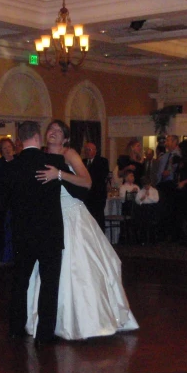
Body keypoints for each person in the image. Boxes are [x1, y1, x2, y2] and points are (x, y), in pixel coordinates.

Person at [27, 120, 138, 341]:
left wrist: (59, 174)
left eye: (59, 131)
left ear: (65, 138)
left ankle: (84, 320)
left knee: (78, 267)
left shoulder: (70, 155)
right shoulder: (40, 155)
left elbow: (87, 182)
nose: (54, 133)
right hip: (49, 217)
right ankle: (49, 319)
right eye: (51, 129)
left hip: (72, 214)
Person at [0, 120, 68, 347]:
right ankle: (45, 333)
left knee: (20, 281)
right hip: (49, 232)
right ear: (37, 136)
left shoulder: (10, 167)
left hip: (22, 233)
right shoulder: (53, 162)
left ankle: (16, 327)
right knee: (49, 283)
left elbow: (2, 203)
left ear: (20, 139)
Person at [81, 141, 110, 232]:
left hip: (98, 195)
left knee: (98, 218)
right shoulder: (82, 162)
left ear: (95, 151)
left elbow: (101, 177)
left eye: (89, 150)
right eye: (86, 150)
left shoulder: (102, 161)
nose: (87, 152)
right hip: (86, 196)